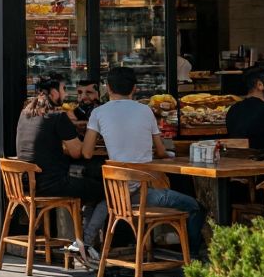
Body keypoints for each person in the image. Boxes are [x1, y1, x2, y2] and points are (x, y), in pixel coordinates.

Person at [81, 66, 204, 261]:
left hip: (118, 193)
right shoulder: (146, 111)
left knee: (108, 201)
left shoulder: (98, 113)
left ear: (108, 88)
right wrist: (169, 153)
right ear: (134, 89)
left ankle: (86, 244)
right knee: (195, 206)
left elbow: (86, 153)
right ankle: (193, 257)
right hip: (145, 193)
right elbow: (162, 151)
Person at [16, 78, 101, 263]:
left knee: (89, 187)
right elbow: (78, 153)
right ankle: (85, 243)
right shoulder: (58, 116)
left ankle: (83, 242)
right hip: (51, 185)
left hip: (24, 184)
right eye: (63, 89)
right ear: (53, 93)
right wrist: (93, 132)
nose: (66, 94)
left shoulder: (25, 113)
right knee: (104, 190)